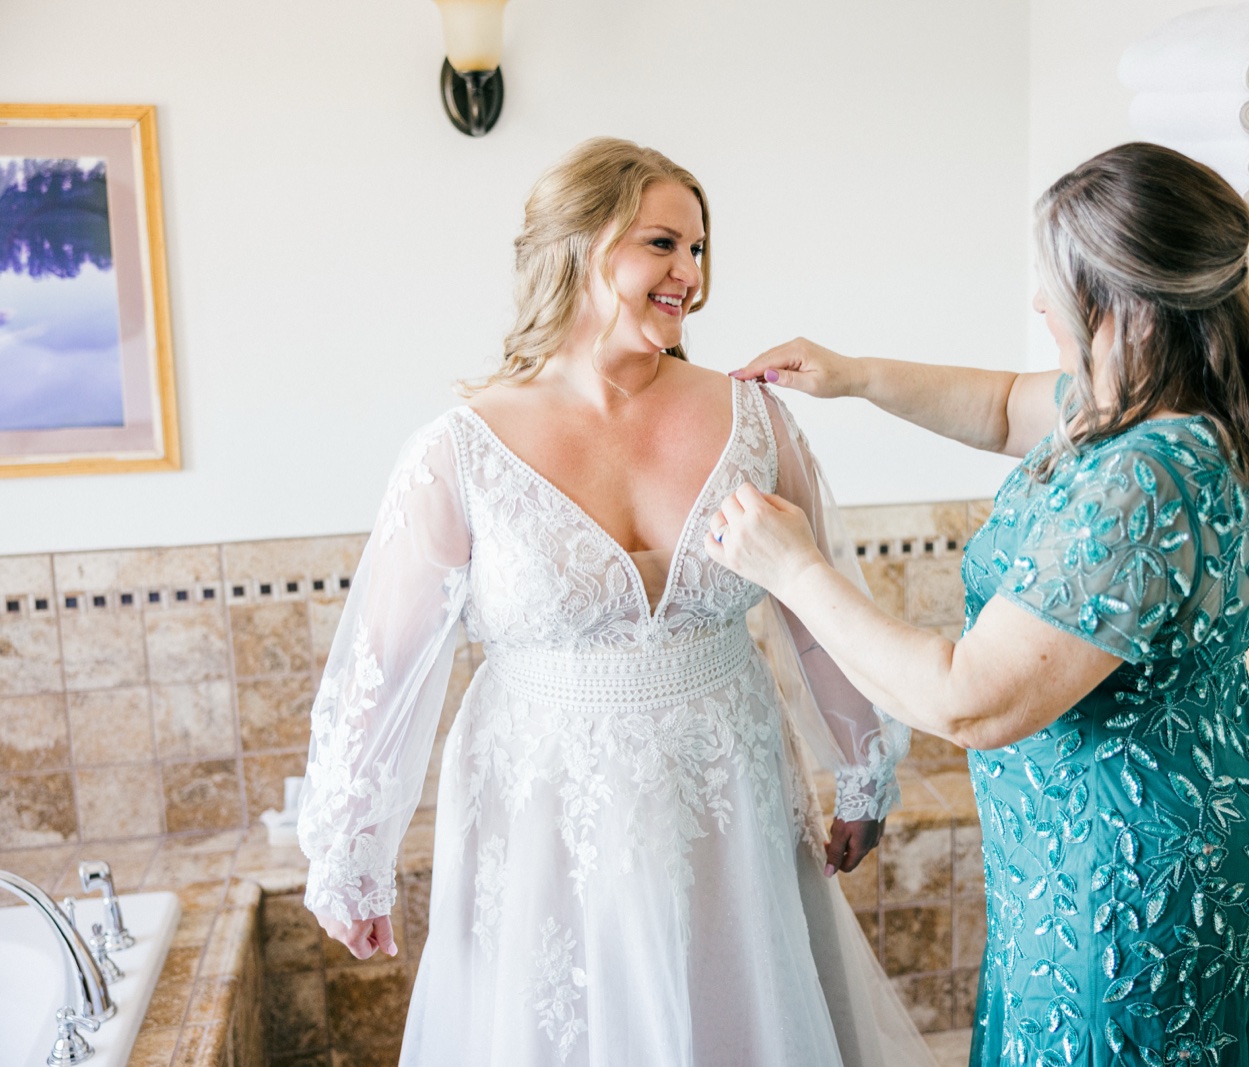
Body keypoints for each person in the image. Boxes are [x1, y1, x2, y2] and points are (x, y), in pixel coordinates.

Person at [296, 137, 935, 1067]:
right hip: (547, 812)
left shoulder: (754, 418)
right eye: (663, 245)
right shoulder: (459, 452)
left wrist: (864, 760)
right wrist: (353, 849)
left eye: (701, 249)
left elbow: (813, 600)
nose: (691, 274)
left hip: (728, 799)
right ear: (582, 246)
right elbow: (383, 666)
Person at [709, 142, 1249, 1066]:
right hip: (1131, 833)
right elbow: (996, 407)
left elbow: (968, 698)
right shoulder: (1152, 402)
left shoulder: (1146, 476)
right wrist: (855, 372)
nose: (1038, 301)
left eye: (1057, 284)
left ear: (1133, 310)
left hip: (1130, 875)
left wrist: (794, 568)